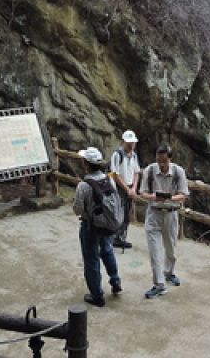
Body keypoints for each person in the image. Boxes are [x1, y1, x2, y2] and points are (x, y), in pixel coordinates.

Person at [73, 146, 123, 307]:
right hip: (108, 225)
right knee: (107, 251)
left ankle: (97, 295)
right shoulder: (109, 179)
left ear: (86, 164)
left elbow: (77, 209)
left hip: (90, 227)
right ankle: (115, 282)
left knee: (91, 260)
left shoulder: (84, 185)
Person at [138, 143, 189, 299]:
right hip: (154, 213)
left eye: (164, 161)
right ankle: (159, 284)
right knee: (154, 251)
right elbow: (142, 192)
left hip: (171, 214)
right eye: (158, 160)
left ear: (170, 160)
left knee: (171, 250)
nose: (161, 164)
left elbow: (183, 194)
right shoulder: (150, 170)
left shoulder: (179, 172)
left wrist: (168, 198)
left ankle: (169, 272)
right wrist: (153, 197)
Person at [108, 130, 141, 249]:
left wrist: (133, 188)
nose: (131, 145)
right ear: (123, 142)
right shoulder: (117, 155)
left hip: (130, 187)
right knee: (117, 213)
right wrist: (128, 189)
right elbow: (115, 174)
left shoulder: (134, 155)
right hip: (118, 188)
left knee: (127, 214)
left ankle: (120, 238)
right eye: (129, 143)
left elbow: (136, 172)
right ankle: (112, 237)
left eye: (133, 143)